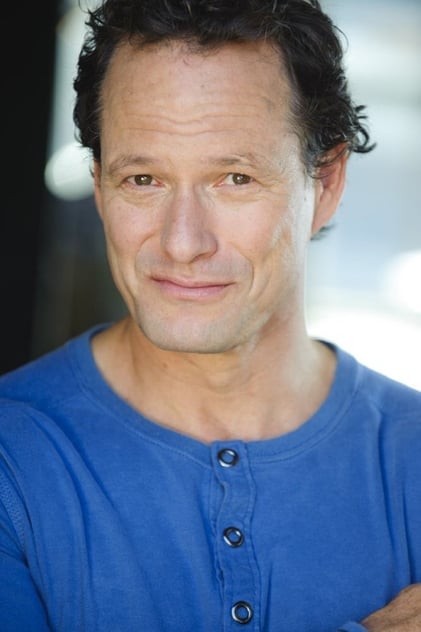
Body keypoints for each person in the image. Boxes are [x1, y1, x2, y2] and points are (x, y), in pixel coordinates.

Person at [0, 0, 420, 629]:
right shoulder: (12, 457)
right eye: (143, 180)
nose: (182, 243)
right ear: (100, 186)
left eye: (235, 178)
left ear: (326, 184)